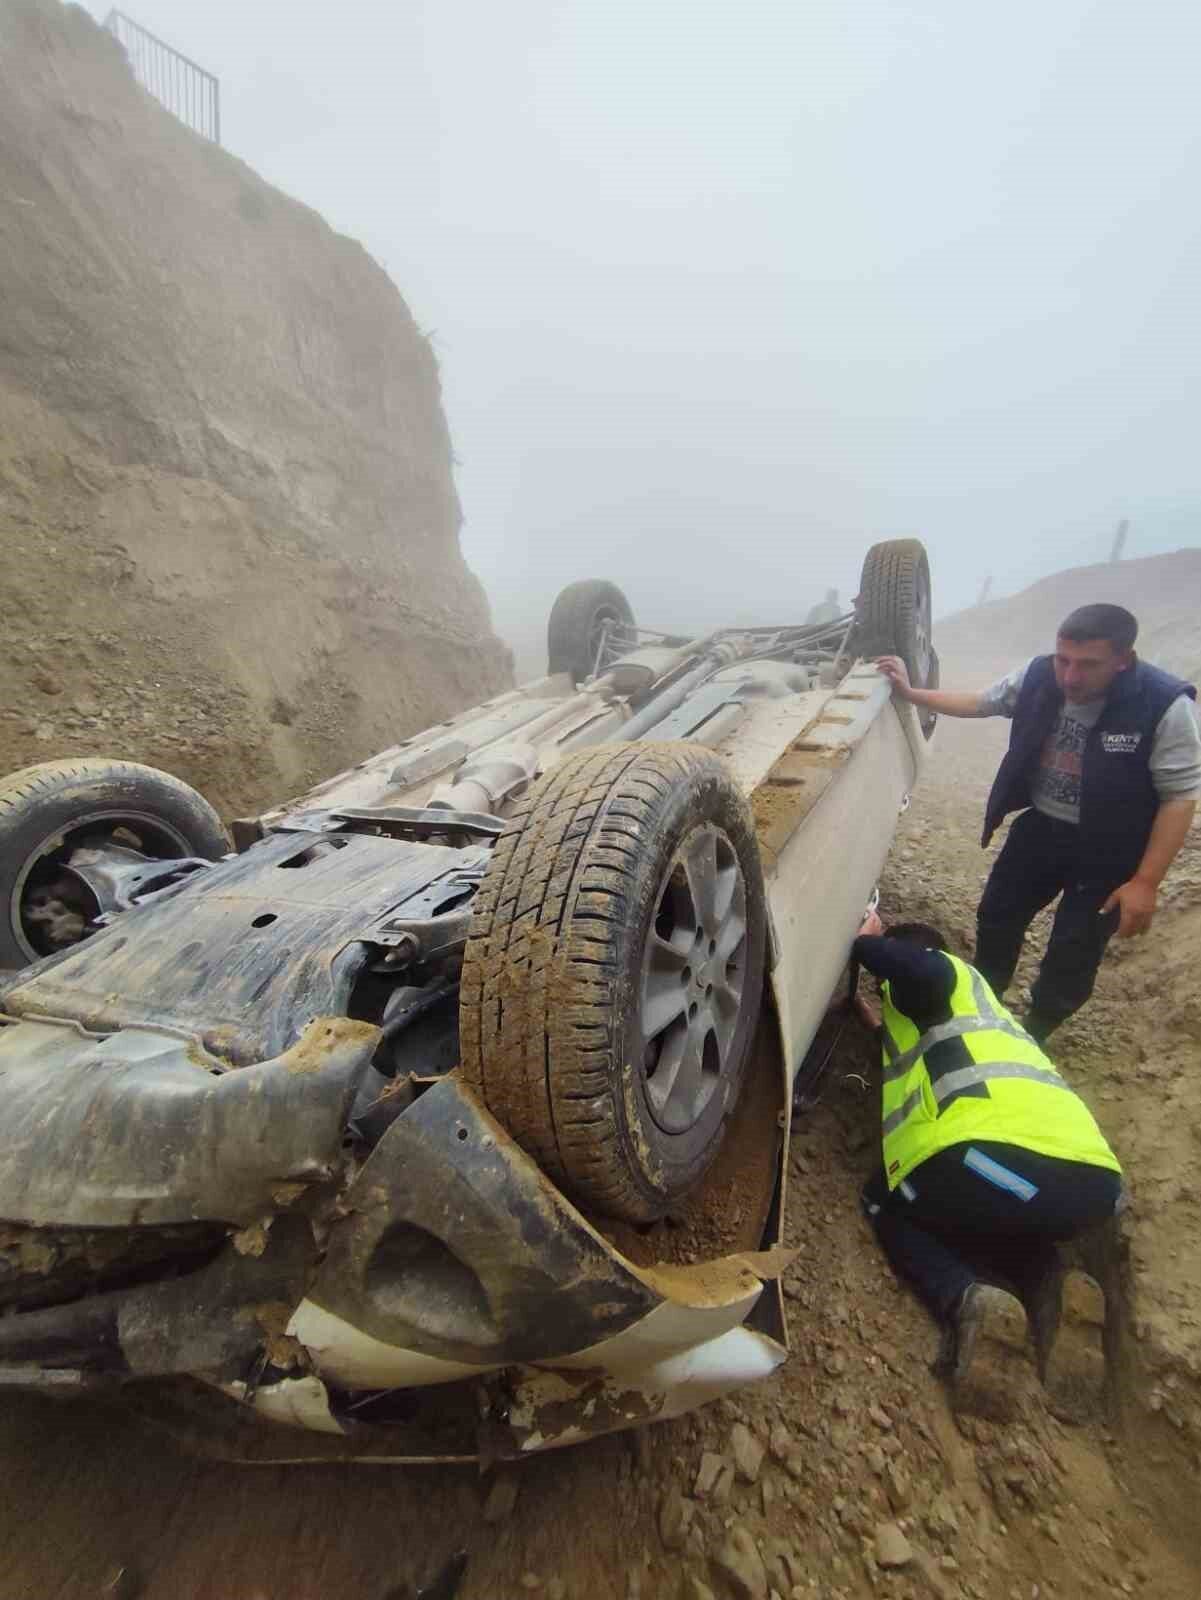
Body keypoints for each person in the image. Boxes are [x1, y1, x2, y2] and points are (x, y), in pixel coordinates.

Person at [877, 603, 1199, 1040]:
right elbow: (980, 703)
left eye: (1088, 664)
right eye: (1063, 659)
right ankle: (984, 1003)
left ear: (1124, 660)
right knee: (997, 916)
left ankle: (1038, 1031)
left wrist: (1145, 882)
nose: (1070, 676)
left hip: (1111, 851)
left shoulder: (1163, 704)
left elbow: (1179, 797)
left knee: (1075, 950)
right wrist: (911, 692)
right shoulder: (1038, 676)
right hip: (1042, 828)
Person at [851, 913, 1123, 1382]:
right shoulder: (982, 1017)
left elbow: (914, 968)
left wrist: (867, 940)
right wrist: (866, 1013)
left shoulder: (939, 972)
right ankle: (1052, 1283)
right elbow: (909, 1046)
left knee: (887, 1203)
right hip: (1091, 1187)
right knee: (991, 1217)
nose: (884, 991)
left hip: (995, 1160)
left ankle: (965, 1297)